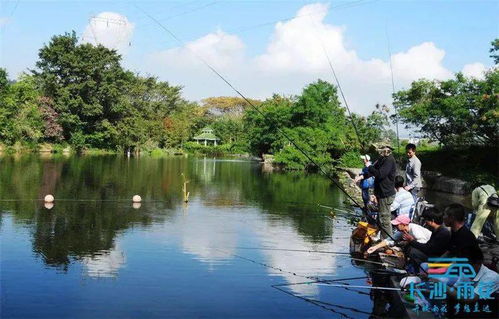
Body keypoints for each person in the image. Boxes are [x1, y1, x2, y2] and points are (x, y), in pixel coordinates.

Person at [363, 142, 396, 239]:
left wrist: (369, 166)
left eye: (381, 149)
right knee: (380, 217)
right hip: (380, 193)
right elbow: (373, 170)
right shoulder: (382, 159)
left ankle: (387, 241)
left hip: (386, 194)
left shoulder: (389, 160)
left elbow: (380, 174)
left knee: (384, 219)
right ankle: (381, 238)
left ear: (387, 150)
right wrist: (363, 176)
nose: (379, 151)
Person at [366, 214, 431, 254]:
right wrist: (375, 247)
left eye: (397, 225)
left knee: (410, 250)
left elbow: (423, 243)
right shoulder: (401, 232)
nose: (395, 226)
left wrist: (410, 242)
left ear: (403, 224)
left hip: (429, 250)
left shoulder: (414, 229)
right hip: (422, 248)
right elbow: (388, 240)